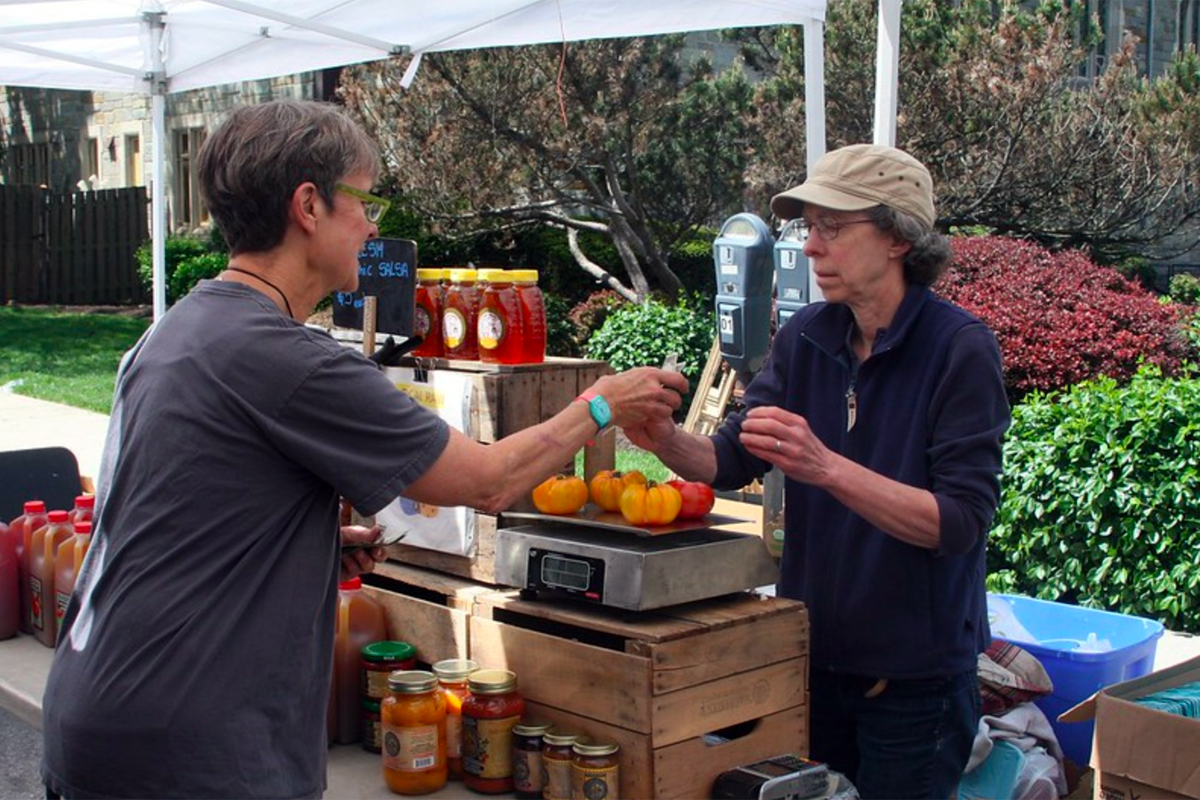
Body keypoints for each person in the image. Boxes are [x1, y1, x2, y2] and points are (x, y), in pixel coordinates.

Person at [40, 100, 687, 799]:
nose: (373, 225)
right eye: (365, 199)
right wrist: (600, 405)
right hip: (190, 749)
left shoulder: (176, 331)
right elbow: (488, 482)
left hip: (100, 712)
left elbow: (179, 512)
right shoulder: (288, 359)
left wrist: (299, 540)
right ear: (309, 205)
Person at [624, 144, 1010, 798]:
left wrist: (827, 467)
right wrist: (662, 438)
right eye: (807, 229)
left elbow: (960, 523)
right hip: (808, 664)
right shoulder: (806, 336)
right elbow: (727, 458)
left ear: (894, 236)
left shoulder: (959, 349)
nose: (809, 248)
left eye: (832, 227)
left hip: (915, 689)